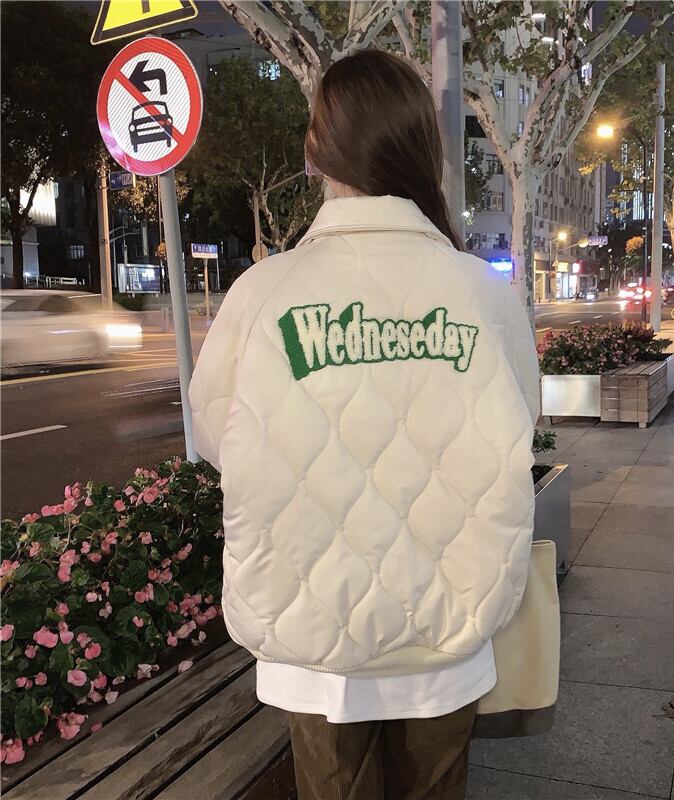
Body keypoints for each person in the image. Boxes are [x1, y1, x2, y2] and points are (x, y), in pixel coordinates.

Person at [189, 50, 540, 800]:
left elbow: (217, 436)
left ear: (316, 151)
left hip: (313, 632)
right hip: (449, 622)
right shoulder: (482, 294)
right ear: (423, 151)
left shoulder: (262, 293)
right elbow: (522, 422)